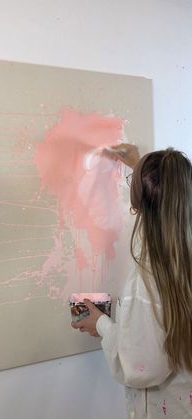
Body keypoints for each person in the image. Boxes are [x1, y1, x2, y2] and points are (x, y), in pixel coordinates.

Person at [72, 144, 192, 419]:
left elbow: (141, 366)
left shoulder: (148, 281)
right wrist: (140, 167)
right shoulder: (179, 261)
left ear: (137, 206)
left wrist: (100, 324)